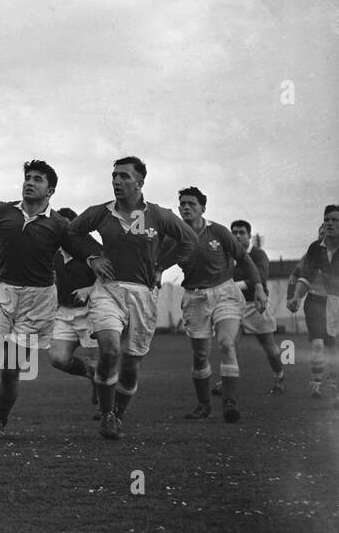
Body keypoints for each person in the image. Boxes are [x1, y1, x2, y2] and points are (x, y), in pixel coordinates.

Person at [0, 160, 92, 440]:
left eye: (38, 179)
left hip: (37, 301)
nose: (30, 182)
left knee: (11, 368)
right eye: (27, 177)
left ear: (51, 190)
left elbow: (84, 248)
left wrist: (100, 258)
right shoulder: (4, 210)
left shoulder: (60, 225)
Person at [67, 156, 197, 440]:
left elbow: (189, 240)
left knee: (130, 365)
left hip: (143, 295)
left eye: (124, 176)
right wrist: (93, 257)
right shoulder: (100, 212)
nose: (117, 180)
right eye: (114, 175)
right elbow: (72, 232)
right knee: (110, 351)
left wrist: (162, 265)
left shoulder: (158, 215)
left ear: (140, 183)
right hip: (108, 290)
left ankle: (118, 414)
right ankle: (106, 415)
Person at [169, 188, 266, 424]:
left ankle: (229, 403)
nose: (186, 207)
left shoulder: (218, 231)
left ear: (203, 208)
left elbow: (244, 258)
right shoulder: (175, 237)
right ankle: (203, 406)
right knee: (201, 354)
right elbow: (158, 261)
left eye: (191, 203)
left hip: (224, 292)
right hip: (195, 297)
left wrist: (259, 287)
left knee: (226, 343)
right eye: (182, 204)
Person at [47, 208, 102, 415]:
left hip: (91, 312)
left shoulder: (92, 250)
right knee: (58, 359)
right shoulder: (55, 254)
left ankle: (106, 410)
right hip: (65, 313)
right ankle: (90, 375)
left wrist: (89, 289)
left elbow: (112, 276)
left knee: (99, 364)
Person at [285, 205, 339, 402]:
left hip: (336, 302)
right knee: (318, 345)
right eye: (327, 220)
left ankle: (334, 385)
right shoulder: (314, 250)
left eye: (334, 220)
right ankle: (317, 383)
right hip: (315, 301)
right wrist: (295, 297)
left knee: (333, 347)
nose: (329, 225)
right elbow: (301, 276)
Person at [229, 220, 285, 394]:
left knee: (269, 346)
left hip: (256, 306)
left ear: (249, 235)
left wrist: (234, 286)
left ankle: (279, 376)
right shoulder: (228, 255)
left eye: (241, 232)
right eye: (234, 232)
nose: (237, 236)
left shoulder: (259, 254)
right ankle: (228, 382)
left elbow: (259, 277)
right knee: (228, 344)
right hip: (233, 306)